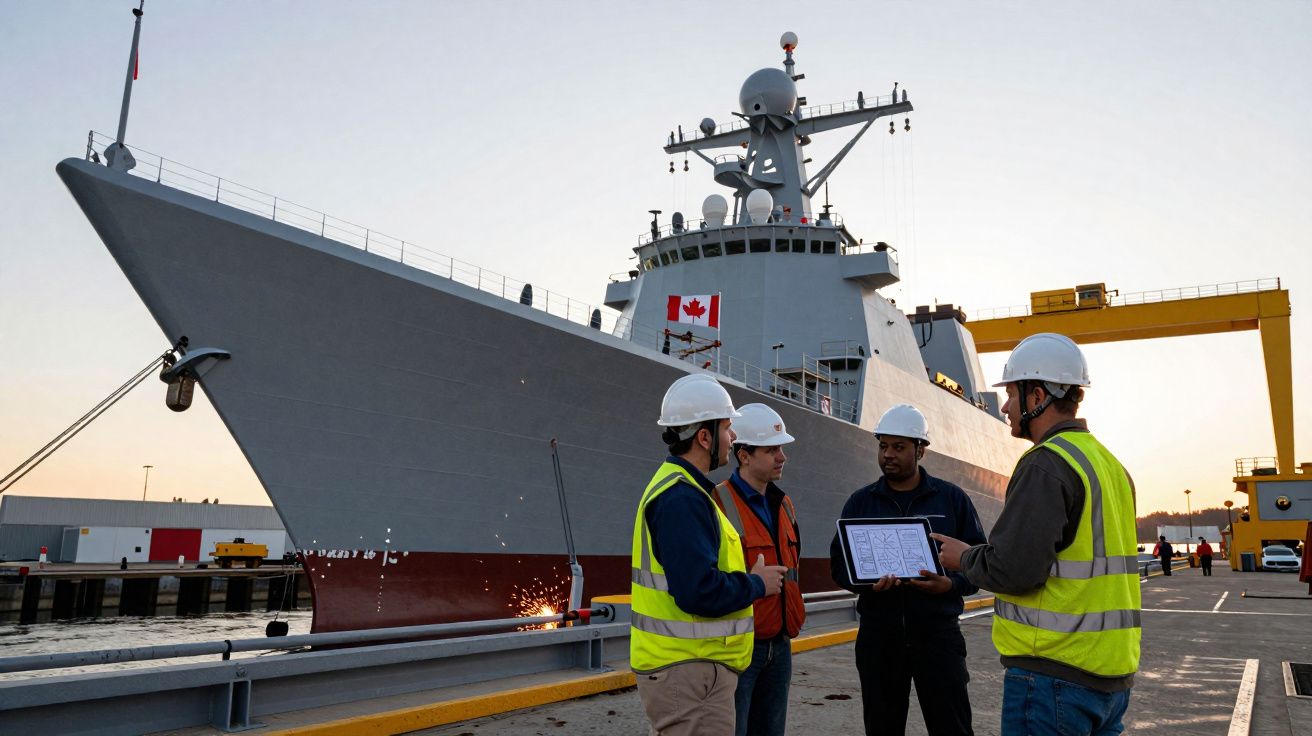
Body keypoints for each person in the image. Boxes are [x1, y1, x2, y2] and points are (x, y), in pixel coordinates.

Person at [933, 333, 1140, 736]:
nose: (1006, 406)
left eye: (1012, 394)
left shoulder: (1045, 464)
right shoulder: (1111, 466)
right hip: (1111, 676)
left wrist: (964, 557)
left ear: (1037, 396)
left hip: (1053, 675)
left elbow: (1014, 570)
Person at [632, 374, 788, 736]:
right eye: (728, 429)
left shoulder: (686, 491)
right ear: (704, 437)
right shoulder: (682, 498)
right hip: (688, 673)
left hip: (692, 668)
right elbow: (697, 591)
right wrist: (756, 584)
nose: (733, 439)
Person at [829, 403, 986, 736]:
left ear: (920, 450)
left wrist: (950, 585)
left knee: (952, 727)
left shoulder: (952, 500)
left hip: (938, 637)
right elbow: (840, 566)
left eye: (899, 447)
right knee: (882, 728)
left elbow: (977, 564)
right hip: (879, 639)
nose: (888, 454)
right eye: (883, 446)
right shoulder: (860, 503)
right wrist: (867, 584)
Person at [710, 403, 805, 736]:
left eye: (781, 448)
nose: (782, 456)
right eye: (771, 449)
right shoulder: (717, 504)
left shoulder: (785, 505)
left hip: (780, 644)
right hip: (738, 647)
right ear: (743, 455)